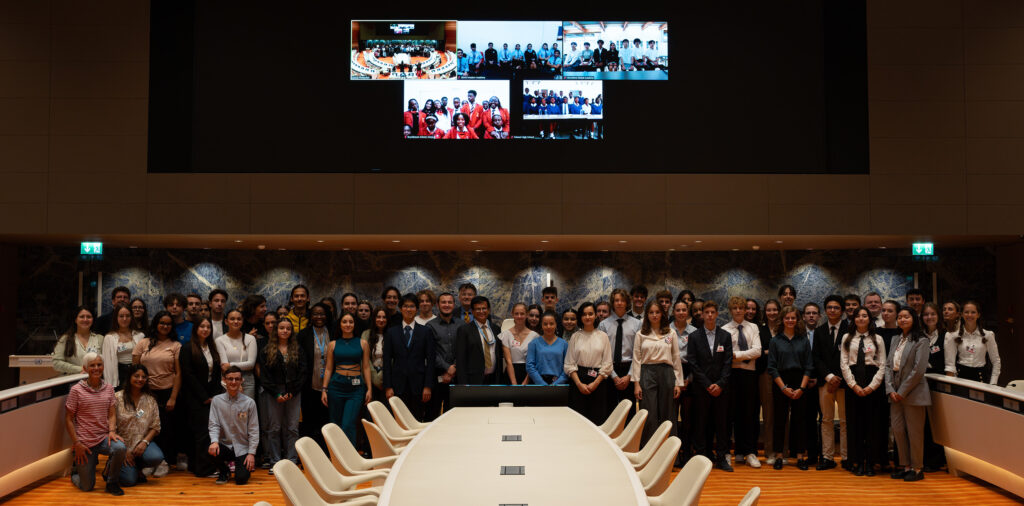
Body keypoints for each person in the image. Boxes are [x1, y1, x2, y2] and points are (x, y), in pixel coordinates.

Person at [65, 353, 127, 495]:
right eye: (92, 365)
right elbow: (68, 419)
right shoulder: (76, 390)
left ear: (103, 367)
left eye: (99, 365)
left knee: (120, 448)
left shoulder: (109, 388)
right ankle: (76, 471)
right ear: (85, 368)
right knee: (87, 486)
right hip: (84, 443)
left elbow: (111, 413)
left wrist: (112, 431)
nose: (96, 368)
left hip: (103, 437)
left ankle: (111, 482)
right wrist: (77, 443)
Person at [133, 311, 182, 475]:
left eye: (168, 324)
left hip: (166, 393)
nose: (165, 326)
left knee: (166, 429)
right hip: (145, 392)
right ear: (156, 324)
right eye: (162, 323)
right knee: (144, 426)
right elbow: (135, 370)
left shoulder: (175, 345)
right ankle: (147, 462)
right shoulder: (143, 343)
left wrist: (173, 397)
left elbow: (178, 373)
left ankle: (164, 462)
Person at [885, 308, 931, 482]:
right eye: (900, 317)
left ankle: (917, 468)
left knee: (915, 432)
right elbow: (888, 366)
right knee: (898, 430)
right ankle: (905, 466)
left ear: (914, 319)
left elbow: (918, 370)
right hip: (895, 392)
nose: (902, 319)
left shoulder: (921, 340)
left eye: (906, 316)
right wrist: (890, 389)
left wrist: (902, 391)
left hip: (913, 392)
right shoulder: (896, 339)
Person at [840, 307, 887, 476]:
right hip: (853, 383)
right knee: (855, 425)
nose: (861, 318)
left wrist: (871, 387)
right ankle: (857, 461)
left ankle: (871, 462)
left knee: (872, 425)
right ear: (853, 319)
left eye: (864, 315)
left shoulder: (878, 339)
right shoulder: (847, 337)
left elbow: (882, 365)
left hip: (872, 382)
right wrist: (854, 385)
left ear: (869, 319)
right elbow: (844, 364)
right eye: (858, 316)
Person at [688, 301, 734, 471]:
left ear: (717, 314)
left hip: (722, 389)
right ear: (702, 315)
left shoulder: (725, 336)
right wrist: (708, 384)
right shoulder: (694, 336)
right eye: (706, 312)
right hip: (701, 388)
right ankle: (700, 459)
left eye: (712, 312)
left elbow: (728, 363)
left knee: (721, 424)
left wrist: (720, 384)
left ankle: (721, 458)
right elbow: (693, 363)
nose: (709, 315)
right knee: (700, 423)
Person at [766, 305, 813, 471]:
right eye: (787, 318)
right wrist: (783, 388)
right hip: (781, 382)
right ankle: (779, 455)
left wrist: (801, 388)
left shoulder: (803, 340)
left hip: (800, 381)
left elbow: (809, 366)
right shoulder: (775, 340)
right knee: (780, 420)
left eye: (793, 318)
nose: (790, 320)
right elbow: (771, 367)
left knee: (800, 421)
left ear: (797, 320)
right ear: (782, 320)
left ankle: (800, 456)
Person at [632, 301, 684, 445]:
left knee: (669, 414)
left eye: (657, 312)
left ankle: (671, 455)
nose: (654, 315)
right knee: (649, 415)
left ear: (662, 314)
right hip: (647, 373)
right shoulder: (640, 334)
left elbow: (676, 357)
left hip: (667, 373)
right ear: (646, 315)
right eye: (651, 312)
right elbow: (636, 360)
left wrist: (678, 383)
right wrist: (636, 384)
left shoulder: (670, 332)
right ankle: (648, 454)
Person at [258, 318, 307, 467]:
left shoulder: (298, 349)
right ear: (276, 330)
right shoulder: (267, 350)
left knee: (292, 427)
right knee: (274, 428)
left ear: (291, 332)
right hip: (274, 392)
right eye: (281, 328)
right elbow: (264, 376)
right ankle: (275, 461)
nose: (285, 331)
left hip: (294, 391)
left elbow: (303, 373)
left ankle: (291, 460)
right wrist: (276, 394)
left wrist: (292, 391)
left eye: (288, 328)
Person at [179, 317, 224, 478]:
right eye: (202, 326)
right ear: (195, 329)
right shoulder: (187, 348)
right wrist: (204, 397)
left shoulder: (211, 347)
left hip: (212, 396)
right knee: (201, 433)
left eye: (208, 327)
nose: (205, 329)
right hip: (195, 398)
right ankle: (203, 469)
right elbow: (188, 375)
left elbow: (216, 374)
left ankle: (197, 466)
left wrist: (215, 396)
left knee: (207, 432)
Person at [723, 296, 762, 468]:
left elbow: (758, 351)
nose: (738, 310)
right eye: (735, 308)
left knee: (749, 414)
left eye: (741, 308)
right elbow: (725, 356)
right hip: (732, 375)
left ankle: (750, 452)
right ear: (730, 311)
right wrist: (743, 356)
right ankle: (733, 452)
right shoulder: (724, 329)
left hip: (749, 374)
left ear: (745, 310)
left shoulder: (753, 327)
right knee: (731, 413)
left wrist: (736, 356)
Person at [383, 294, 436, 421]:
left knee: (417, 419)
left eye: (412, 306)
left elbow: (431, 360)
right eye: (405, 306)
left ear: (416, 309)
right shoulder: (391, 332)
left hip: (419, 385)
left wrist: (427, 386)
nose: (409, 309)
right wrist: (388, 386)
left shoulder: (425, 331)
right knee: (399, 420)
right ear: (400, 309)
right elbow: (386, 361)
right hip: (397, 386)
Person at [323, 313, 373, 444]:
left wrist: (369, 388)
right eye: (344, 322)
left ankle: (351, 458)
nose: (348, 324)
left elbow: (366, 367)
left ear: (354, 324)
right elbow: (328, 368)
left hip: (356, 389)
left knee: (348, 424)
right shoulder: (333, 344)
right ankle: (336, 457)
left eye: (351, 322)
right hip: (336, 387)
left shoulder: (363, 343)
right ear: (340, 324)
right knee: (335, 424)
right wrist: (324, 389)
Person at [813, 295, 849, 470]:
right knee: (826, 419)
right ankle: (827, 457)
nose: (832, 310)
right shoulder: (819, 331)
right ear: (825, 310)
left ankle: (846, 457)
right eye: (829, 307)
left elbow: (851, 357)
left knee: (844, 421)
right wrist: (829, 377)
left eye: (836, 307)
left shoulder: (850, 329)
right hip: (825, 382)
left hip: (845, 382)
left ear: (841, 311)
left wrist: (839, 377)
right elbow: (816, 357)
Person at [115, 364, 164, 486]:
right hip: (121, 445)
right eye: (136, 376)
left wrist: (145, 442)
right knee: (129, 481)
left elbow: (155, 426)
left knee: (156, 457)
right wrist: (123, 450)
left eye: (144, 377)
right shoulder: (117, 398)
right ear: (129, 377)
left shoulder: (150, 400)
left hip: (141, 443)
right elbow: (109, 426)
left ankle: (137, 466)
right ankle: (114, 463)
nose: (140, 379)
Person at [208, 366, 259, 485]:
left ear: (242, 381)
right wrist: (214, 441)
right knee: (210, 448)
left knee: (241, 480)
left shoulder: (249, 403)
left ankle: (239, 467)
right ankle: (224, 471)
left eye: (237, 379)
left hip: (242, 448)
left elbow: (254, 430)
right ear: (224, 380)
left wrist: (251, 454)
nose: (233, 382)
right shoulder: (216, 401)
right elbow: (213, 424)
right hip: (225, 445)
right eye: (230, 379)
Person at [564, 302, 612, 424]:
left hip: (598, 381)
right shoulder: (575, 336)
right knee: (578, 420)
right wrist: (579, 384)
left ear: (596, 315)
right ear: (580, 317)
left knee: (597, 419)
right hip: (578, 381)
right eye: (584, 314)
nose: (587, 317)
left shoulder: (603, 336)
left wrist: (595, 383)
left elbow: (607, 364)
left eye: (590, 314)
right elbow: (569, 363)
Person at [599, 288, 642, 422]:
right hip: (609, 369)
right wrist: (614, 376)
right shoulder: (603, 325)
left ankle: (629, 440)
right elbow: (602, 353)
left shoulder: (636, 323)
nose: (619, 303)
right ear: (612, 302)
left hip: (629, 369)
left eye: (622, 300)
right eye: (616, 300)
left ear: (627, 303)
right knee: (609, 408)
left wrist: (629, 376)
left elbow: (638, 352)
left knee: (629, 409)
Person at [298, 302, 334, 449]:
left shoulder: (334, 332)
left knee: (326, 420)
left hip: (331, 384)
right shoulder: (303, 334)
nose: (319, 317)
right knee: (309, 419)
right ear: (310, 316)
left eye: (322, 313)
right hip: (309, 385)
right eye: (315, 314)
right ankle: (309, 452)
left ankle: (326, 451)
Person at [944, 301, 1000, 384]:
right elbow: (950, 365)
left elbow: (996, 361)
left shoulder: (988, 335)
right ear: (962, 314)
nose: (969, 315)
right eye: (966, 312)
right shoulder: (953, 336)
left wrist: (993, 383)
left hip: (981, 378)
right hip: (960, 379)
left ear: (978, 315)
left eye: (973, 312)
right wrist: (952, 383)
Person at [919, 302, 947, 472]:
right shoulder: (919, 335)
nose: (929, 317)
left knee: (938, 421)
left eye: (932, 314)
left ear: (938, 316)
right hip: (921, 383)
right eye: (926, 314)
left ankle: (936, 460)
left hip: (939, 383)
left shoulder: (946, 336)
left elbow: (949, 363)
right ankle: (923, 458)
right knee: (923, 423)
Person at [455, 296, 506, 384]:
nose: (481, 311)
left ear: (489, 310)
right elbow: (460, 359)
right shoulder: (464, 330)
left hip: (494, 379)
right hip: (473, 380)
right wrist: (463, 382)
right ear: (472, 311)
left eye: (484, 308)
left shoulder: (496, 329)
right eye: (478, 309)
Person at [670, 301, 696, 465]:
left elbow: (698, 359)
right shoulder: (666, 330)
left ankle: (687, 452)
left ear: (688, 312)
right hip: (670, 375)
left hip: (690, 375)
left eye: (684, 310)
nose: (681, 312)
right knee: (671, 417)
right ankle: (673, 455)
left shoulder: (695, 332)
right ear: (673, 311)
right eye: (678, 310)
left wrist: (689, 379)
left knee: (688, 418)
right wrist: (676, 380)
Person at [425, 293, 458, 420]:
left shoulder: (461, 325)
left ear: (454, 305)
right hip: (436, 377)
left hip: (457, 378)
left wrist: (454, 368)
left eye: (449, 302)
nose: (447, 305)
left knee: (455, 416)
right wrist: (447, 368)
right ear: (438, 305)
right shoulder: (430, 326)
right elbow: (431, 352)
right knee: (433, 415)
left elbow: (463, 350)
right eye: (443, 302)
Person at [758, 299, 782, 464]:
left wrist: (769, 352)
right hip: (765, 374)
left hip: (784, 374)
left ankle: (783, 451)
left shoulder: (784, 329)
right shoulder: (760, 330)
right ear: (764, 312)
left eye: (775, 310)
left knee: (783, 413)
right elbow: (758, 352)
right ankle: (769, 451)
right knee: (768, 413)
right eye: (769, 310)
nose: (772, 313)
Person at [216, 309, 258, 400]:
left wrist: (230, 364)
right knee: (229, 411)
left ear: (242, 321)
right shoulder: (220, 340)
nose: (236, 321)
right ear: (226, 321)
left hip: (247, 380)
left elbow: (251, 364)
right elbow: (224, 366)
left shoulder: (250, 339)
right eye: (232, 319)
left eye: (239, 319)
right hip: (229, 380)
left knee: (246, 411)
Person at [102, 302, 145, 390]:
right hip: (118, 373)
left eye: (128, 316)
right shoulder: (109, 338)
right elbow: (107, 364)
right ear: (116, 318)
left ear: (131, 317)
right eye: (121, 316)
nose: (125, 319)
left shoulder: (140, 335)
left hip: (136, 372)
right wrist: (108, 385)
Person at [53, 306, 104, 375]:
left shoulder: (100, 339)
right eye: (82, 317)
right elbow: (56, 363)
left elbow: (105, 362)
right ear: (75, 320)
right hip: (71, 382)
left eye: (89, 317)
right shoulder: (66, 339)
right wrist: (80, 369)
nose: (85, 319)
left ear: (93, 320)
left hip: (94, 382)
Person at [500, 303, 540, 385]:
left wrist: (526, 380)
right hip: (510, 374)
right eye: (516, 314)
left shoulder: (535, 336)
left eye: (522, 314)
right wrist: (514, 382)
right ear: (512, 314)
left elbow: (535, 362)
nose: (519, 316)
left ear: (527, 315)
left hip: (529, 374)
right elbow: (508, 361)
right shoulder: (505, 335)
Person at [527, 311, 569, 385]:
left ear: (556, 325)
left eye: (551, 324)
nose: (548, 327)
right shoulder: (534, 343)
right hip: (538, 383)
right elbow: (530, 366)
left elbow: (567, 366)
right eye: (545, 324)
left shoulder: (564, 344)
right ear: (541, 325)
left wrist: (557, 383)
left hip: (558, 384)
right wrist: (541, 383)